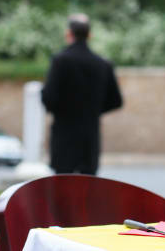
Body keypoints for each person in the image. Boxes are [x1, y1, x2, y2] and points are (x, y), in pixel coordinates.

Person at [42, 13, 122, 175]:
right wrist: (93, 110)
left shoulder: (60, 61)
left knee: (62, 191)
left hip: (64, 137)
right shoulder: (103, 64)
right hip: (90, 139)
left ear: (68, 34)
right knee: (87, 193)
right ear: (89, 35)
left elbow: (48, 98)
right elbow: (116, 101)